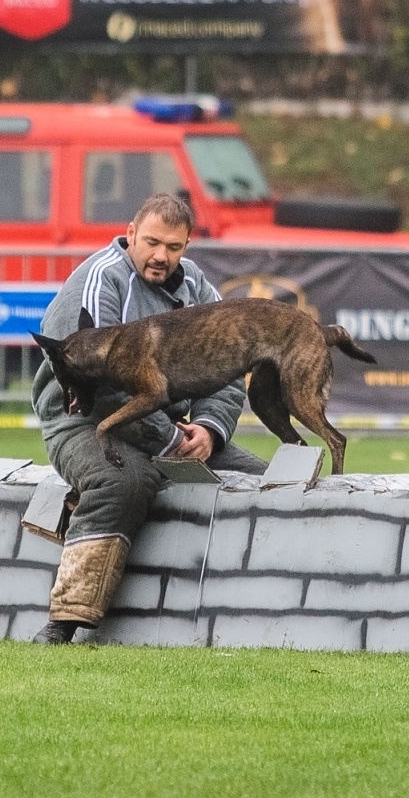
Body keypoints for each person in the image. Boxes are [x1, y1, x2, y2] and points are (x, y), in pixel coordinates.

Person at [30, 193, 267, 645]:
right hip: (84, 421)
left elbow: (230, 366)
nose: (161, 256)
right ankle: (66, 620)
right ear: (131, 234)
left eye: (174, 247)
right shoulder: (100, 281)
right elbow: (98, 385)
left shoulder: (197, 287)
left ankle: (254, 618)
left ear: (187, 246)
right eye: (152, 243)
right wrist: (168, 442)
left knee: (262, 482)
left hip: (171, 430)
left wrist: (210, 431)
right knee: (124, 481)